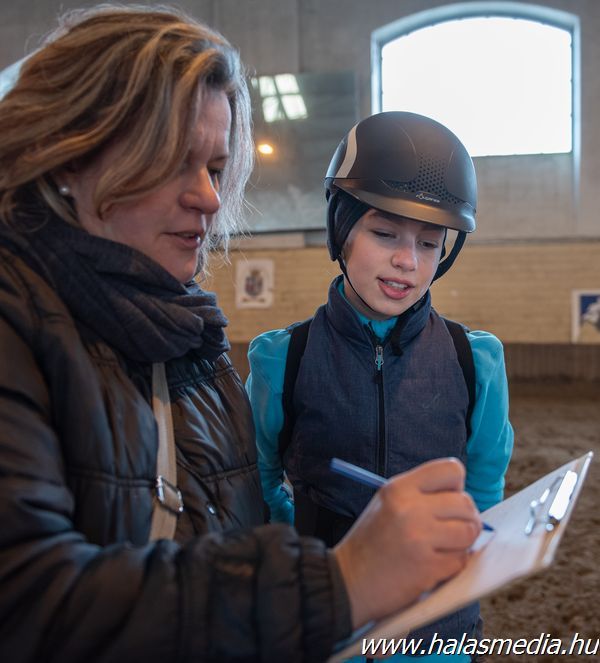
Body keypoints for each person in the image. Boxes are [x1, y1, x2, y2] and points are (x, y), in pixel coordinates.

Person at [0, 6, 484, 663]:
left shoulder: (194, 348)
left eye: (214, 167)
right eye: (173, 161)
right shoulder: (19, 329)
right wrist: (337, 584)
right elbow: (28, 602)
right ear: (68, 155)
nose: (208, 196)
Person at [247, 112, 514, 661]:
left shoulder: (476, 360)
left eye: (429, 244)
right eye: (384, 233)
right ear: (341, 228)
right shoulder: (282, 359)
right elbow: (260, 477)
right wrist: (309, 550)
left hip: (437, 631)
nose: (407, 261)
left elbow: (484, 489)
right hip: (324, 621)